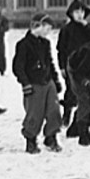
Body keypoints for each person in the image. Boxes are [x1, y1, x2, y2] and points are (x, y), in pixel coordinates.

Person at [12, 13, 64, 154]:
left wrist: (56, 80)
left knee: (54, 110)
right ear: (38, 26)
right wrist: (25, 83)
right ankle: (31, 139)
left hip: (48, 81)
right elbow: (18, 67)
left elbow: (50, 63)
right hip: (34, 84)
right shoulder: (23, 45)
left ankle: (51, 136)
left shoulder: (46, 43)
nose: (49, 32)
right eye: (47, 28)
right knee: (35, 113)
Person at [57, 0, 90, 128]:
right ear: (71, 13)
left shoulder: (89, 28)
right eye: (76, 12)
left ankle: (83, 118)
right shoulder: (66, 29)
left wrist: (86, 26)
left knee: (87, 92)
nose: (79, 14)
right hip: (71, 66)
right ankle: (66, 114)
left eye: (81, 11)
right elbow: (61, 49)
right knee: (71, 91)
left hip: (86, 66)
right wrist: (62, 67)